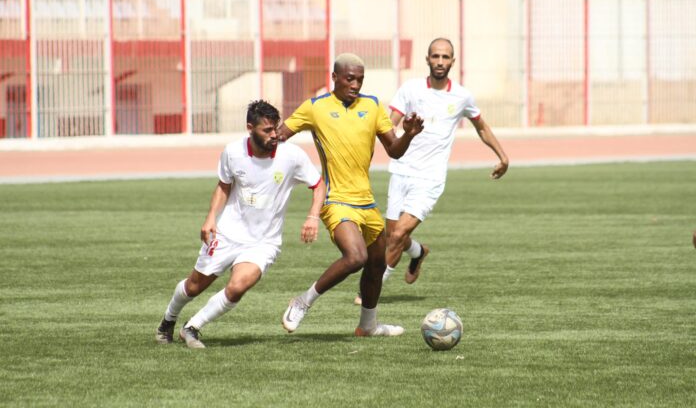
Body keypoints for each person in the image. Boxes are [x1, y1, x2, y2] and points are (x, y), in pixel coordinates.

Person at [155, 100, 326, 348]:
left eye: (275, 128)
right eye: (266, 130)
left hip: (264, 242)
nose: (274, 135)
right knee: (194, 286)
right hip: (228, 234)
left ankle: (192, 327)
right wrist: (211, 217)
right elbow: (224, 186)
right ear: (250, 128)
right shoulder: (233, 152)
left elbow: (318, 185)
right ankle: (168, 321)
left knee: (238, 286)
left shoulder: (292, 156)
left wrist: (313, 216)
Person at [278, 53, 424, 337]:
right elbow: (279, 136)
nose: (355, 84)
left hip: (366, 202)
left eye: (360, 79)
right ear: (334, 78)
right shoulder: (315, 108)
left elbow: (394, 149)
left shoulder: (372, 106)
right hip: (335, 201)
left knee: (376, 264)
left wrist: (408, 134)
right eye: (349, 79)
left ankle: (368, 326)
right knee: (355, 256)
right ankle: (303, 301)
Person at [354, 37, 509, 305]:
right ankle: (418, 253)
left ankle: (371, 289)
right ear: (427, 59)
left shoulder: (461, 96)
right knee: (392, 237)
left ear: (453, 61)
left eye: (445, 57)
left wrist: (503, 156)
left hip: (430, 179)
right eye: (435, 56)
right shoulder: (411, 89)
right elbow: (389, 125)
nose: (440, 61)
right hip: (401, 171)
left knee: (399, 234)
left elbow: (481, 126)